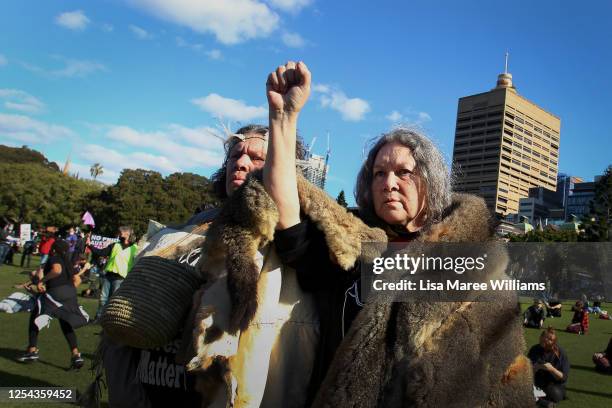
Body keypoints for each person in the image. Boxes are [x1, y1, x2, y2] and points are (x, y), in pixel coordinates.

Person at [265, 62, 533, 406]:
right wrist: (283, 118)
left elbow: (506, 380)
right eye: (378, 173)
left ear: (430, 180)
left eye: (403, 172)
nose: (388, 183)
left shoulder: (477, 266)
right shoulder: (348, 246)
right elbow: (286, 219)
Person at [97, 123, 312, 408]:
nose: (241, 163)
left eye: (257, 158)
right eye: (235, 155)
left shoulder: (293, 240)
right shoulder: (183, 230)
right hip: (152, 390)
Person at [16, 240, 88, 368]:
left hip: (56, 292)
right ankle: (76, 355)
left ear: (54, 249)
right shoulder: (68, 263)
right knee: (65, 322)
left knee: (36, 317)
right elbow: (77, 279)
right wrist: (67, 291)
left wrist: (42, 281)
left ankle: (32, 350)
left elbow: (56, 270)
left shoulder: (54, 258)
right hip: (70, 293)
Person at [87, 226, 138, 320]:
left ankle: (109, 320)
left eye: (122, 231)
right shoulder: (115, 245)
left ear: (128, 233)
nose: (120, 233)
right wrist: (90, 245)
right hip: (108, 275)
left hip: (121, 278)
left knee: (113, 301)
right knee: (103, 299)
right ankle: (98, 318)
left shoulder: (135, 248)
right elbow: (101, 252)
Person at [528, 327, 570, 406]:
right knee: (519, 387)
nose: (545, 342)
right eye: (543, 339)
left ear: (553, 342)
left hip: (553, 384)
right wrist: (536, 368)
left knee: (554, 394)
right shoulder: (534, 349)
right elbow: (527, 371)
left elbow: (563, 377)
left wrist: (552, 369)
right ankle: (544, 402)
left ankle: (538, 398)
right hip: (537, 382)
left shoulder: (560, 353)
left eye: (548, 340)